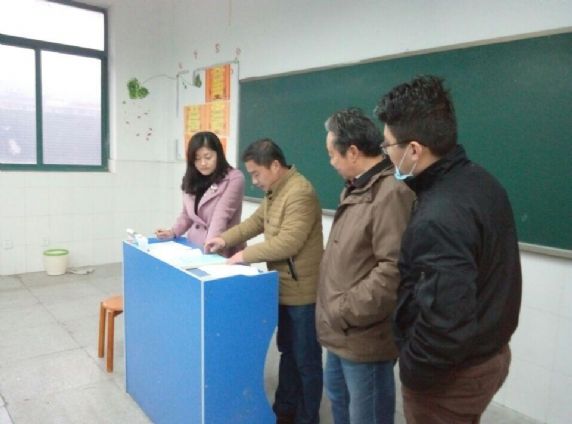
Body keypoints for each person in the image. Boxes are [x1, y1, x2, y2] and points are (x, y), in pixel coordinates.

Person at [375, 75, 522, 424]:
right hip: (489, 354)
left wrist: (412, 374)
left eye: (388, 145)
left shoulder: (439, 216)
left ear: (414, 150)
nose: (386, 154)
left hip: (452, 378)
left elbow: (444, 325)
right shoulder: (481, 181)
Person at [204, 139, 323, 424]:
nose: (254, 181)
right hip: (283, 286)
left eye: (256, 173)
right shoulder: (275, 191)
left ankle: (307, 417)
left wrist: (243, 255)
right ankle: (285, 410)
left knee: (306, 360)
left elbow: (288, 243)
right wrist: (224, 240)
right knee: (288, 352)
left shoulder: (300, 192)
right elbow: (254, 223)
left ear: (275, 165)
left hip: (303, 292)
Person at [316, 108, 415, 424]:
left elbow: (393, 270)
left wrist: (343, 310)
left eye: (332, 154)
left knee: (367, 416)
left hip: (364, 335)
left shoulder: (391, 193)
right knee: (339, 404)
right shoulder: (357, 186)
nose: (331, 161)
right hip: (340, 331)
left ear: (353, 152)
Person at [155, 131, 245, 257]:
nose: (203, 163)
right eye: (197, 159)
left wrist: (209, 249)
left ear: (219, 154)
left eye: (208, 157)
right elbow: (187, 215)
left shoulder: (234, 178)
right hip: (194, 246)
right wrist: (173, 232)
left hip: (220, 247)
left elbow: (221, 216)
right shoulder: (191, 179)